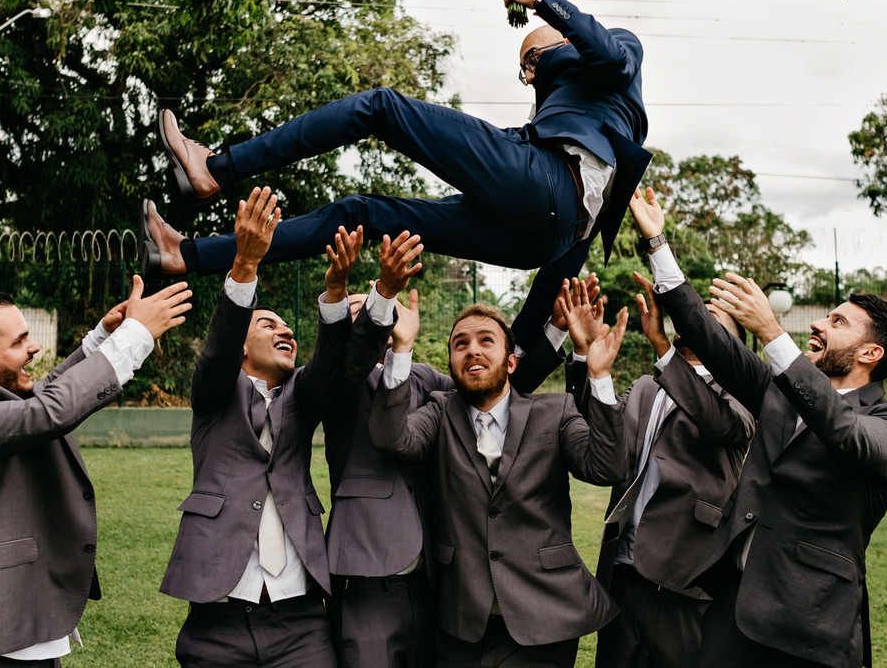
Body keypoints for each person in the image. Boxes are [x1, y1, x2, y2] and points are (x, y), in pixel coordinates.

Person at [141, 0, 651, 342]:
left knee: (381, 108)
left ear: (567, 37)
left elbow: (606, 53)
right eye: (525, 70)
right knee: (360, 214)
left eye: (534, 58)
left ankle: (216, 168)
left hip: (543, 190)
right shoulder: (584, 139)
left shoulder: (616, 54)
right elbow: (566, 255)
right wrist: (513, 357)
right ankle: (185, 255)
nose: (530, 74)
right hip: (540, 234)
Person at [629, 187, 887, 668]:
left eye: (837, 322)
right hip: (731, 610)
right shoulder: (778, 391)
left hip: (809, 623)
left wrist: (772, 332)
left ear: (871, 353)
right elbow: (709, 337)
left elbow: (845, 432)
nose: (819, 325)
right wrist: (657, 243)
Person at [158, 186, 422, 668]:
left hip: (302, 622)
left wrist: (365, 293)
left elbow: (341, 364)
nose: (285, 330)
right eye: (268, 325)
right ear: (242, 346)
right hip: (217, 620)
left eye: (288, 328)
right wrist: (245, 264)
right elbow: (218, 348)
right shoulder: (214, 393)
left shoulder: (304, 395)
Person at [0, 277, 192, 668]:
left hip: (10, 630)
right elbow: (46, 412)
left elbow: (42, 394)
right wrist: (135, 336)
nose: (34, 347)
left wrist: (103, 337)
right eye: (19, 342)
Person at [321, 277, 590, 668]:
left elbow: (491, 386)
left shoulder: (426, 378)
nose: (376, 317)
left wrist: (556, 331)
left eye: (382, 308)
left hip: (433, 575)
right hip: (368, 573)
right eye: (363, 311)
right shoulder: (334, 378)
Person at [369, 299, 630, 668]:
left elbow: (606, 469)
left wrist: (599, 376)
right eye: (460, 344)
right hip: (462, 623)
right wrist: (402, 347)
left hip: (545, 617)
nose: (472, 349)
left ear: (510, 362)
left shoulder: (554, 411)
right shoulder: (439, 411)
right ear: (452, 364)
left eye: (486, 340)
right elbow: (391, 438)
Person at [559, 275, 755, 667]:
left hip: (685, 582)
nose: (693, 320)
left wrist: (663, 349)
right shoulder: (645, 387)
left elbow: (717, 424)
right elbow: (593, 434)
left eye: (708, 318)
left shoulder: (742, 394)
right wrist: (586, 359)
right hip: (621, 574)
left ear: (733, 343)